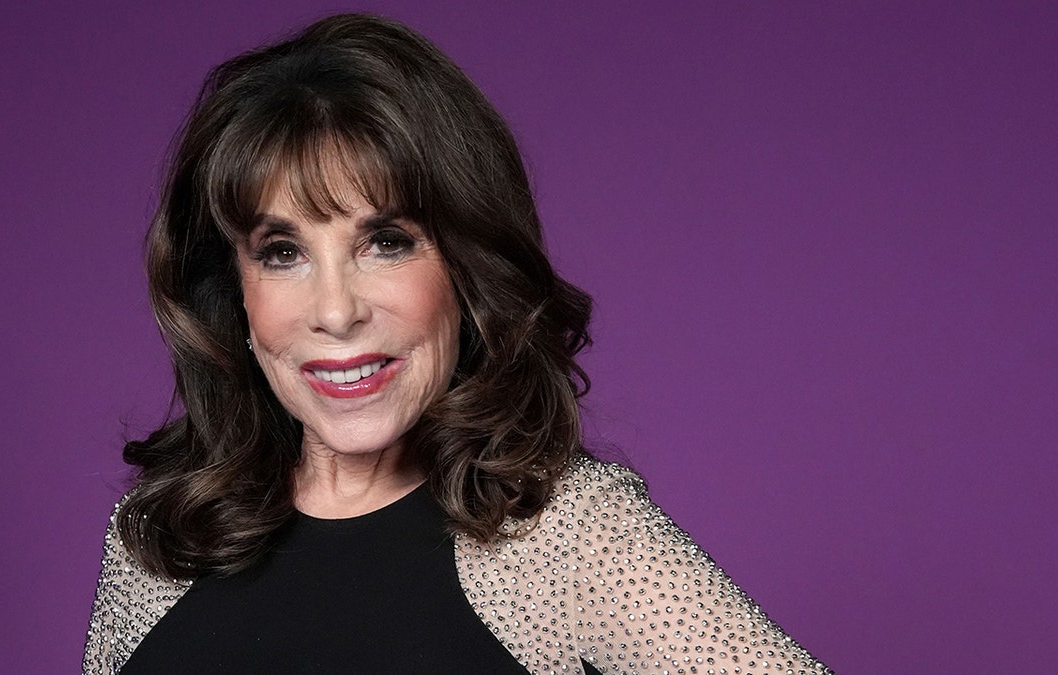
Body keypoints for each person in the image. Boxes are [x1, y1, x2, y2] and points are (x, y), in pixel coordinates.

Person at [83, 13, 830, 675]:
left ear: (466, 270)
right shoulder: (158, 542)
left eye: (385, 241)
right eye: (283, 252)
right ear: (236, 293)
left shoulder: (569, 540)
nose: (337, 312)